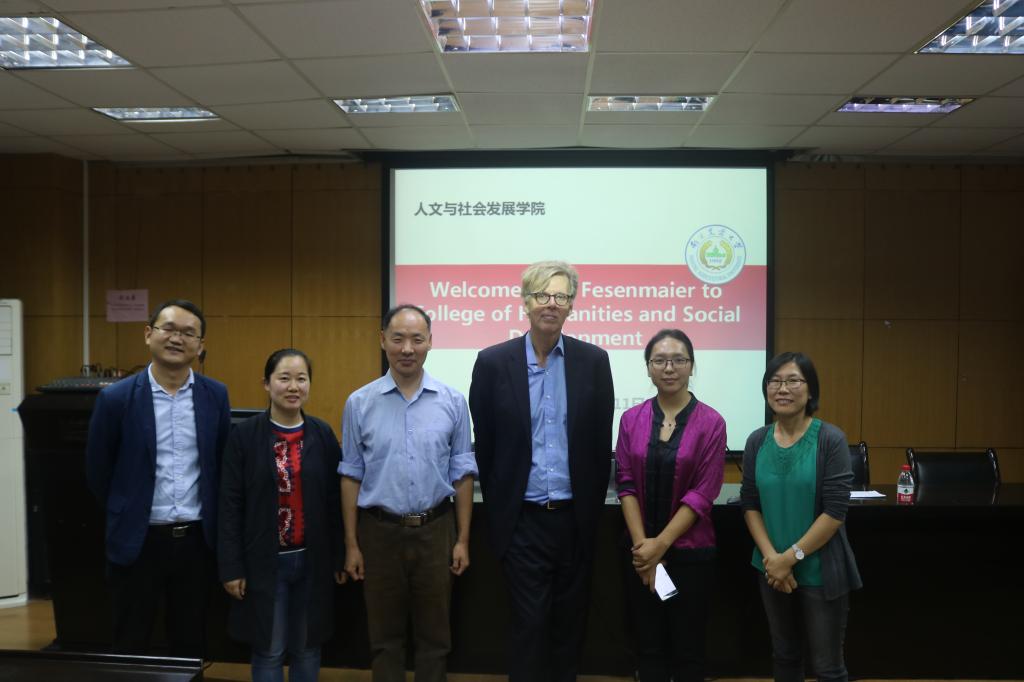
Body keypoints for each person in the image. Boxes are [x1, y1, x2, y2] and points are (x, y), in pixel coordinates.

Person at [468, 260, 614, 682]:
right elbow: (486, 446)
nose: (551, 303)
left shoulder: (593, 361)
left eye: (561, 296)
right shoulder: (493, 363)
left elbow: (598, 444)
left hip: (574, 520)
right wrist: (504, 510)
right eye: (542, 295)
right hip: (523, 522)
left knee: (570, 627)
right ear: (526, 301)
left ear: (572, 305)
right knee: (528, 628)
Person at [85, 299, 231, 657]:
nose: (177, 338)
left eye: (188, 333)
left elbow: (220, 463)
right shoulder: (115, 398)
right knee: (130, 643)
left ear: (201, 345)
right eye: (168, 329)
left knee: (190, 644)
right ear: (148, 334)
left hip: (196, 542)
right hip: (138, 542)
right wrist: (127, 510)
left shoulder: (215, 395)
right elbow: (98, 470)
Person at [340, 304, 476, 682]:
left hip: (436, 530)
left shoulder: (452, 402)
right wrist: (351, 544)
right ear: (382, 340)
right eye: (398, 339)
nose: (407, 349)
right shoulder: (359, 403)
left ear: (430, 342)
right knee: (384, 639)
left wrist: (462, 540)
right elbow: (350, 476)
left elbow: (463, 474)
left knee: (436, 638)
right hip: (378, 532)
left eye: (417, 339)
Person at [218, 349, 345, 682]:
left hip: (312, 561)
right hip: (264, 562)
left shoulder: (322, 434)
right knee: (269, 648)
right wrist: (231, 566)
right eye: (284, 378)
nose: (293, 387)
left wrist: (340, 556)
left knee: (307, 647)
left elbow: (334, 502)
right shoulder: (244, 436)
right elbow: (230, 505)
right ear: (266, 383)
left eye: (301, 379)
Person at [740, 352, 862, 682]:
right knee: (785, 657)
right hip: (771, 570)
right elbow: (750, 504)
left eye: (793, 380)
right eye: (775, 381)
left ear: (810, 391)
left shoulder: (830, 439)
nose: (783, 389)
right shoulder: (757, 440)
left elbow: (835, 512)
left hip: (819, 571)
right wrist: (773, 559)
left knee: (827, 668)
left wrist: (790, 557)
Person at [615, 329, 726, 682]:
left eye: (678, 360)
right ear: (648, 367)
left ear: (691, 366)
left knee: (688, 650)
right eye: (659, 360)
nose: (669, 368)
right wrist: (643, 550)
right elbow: (625, 484)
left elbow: (703, 493)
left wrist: (659, 546)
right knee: (647, 648)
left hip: (690, 556)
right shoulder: (631, 419)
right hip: (640, 555)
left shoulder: (712, 422)